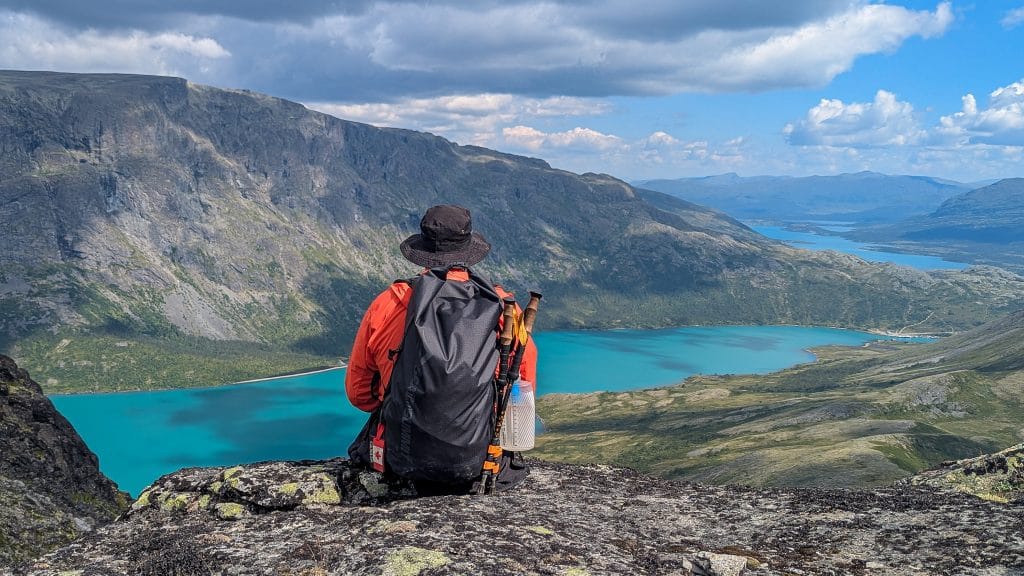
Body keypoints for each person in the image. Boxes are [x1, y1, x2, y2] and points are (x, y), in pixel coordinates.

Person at [345, 204, 538, 493]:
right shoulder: (504, 309)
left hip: (401, 458)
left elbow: (360, 394)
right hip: (481, 457)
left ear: (423, 250)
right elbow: (522, 387)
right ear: (468, 248)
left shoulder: (389, 303)